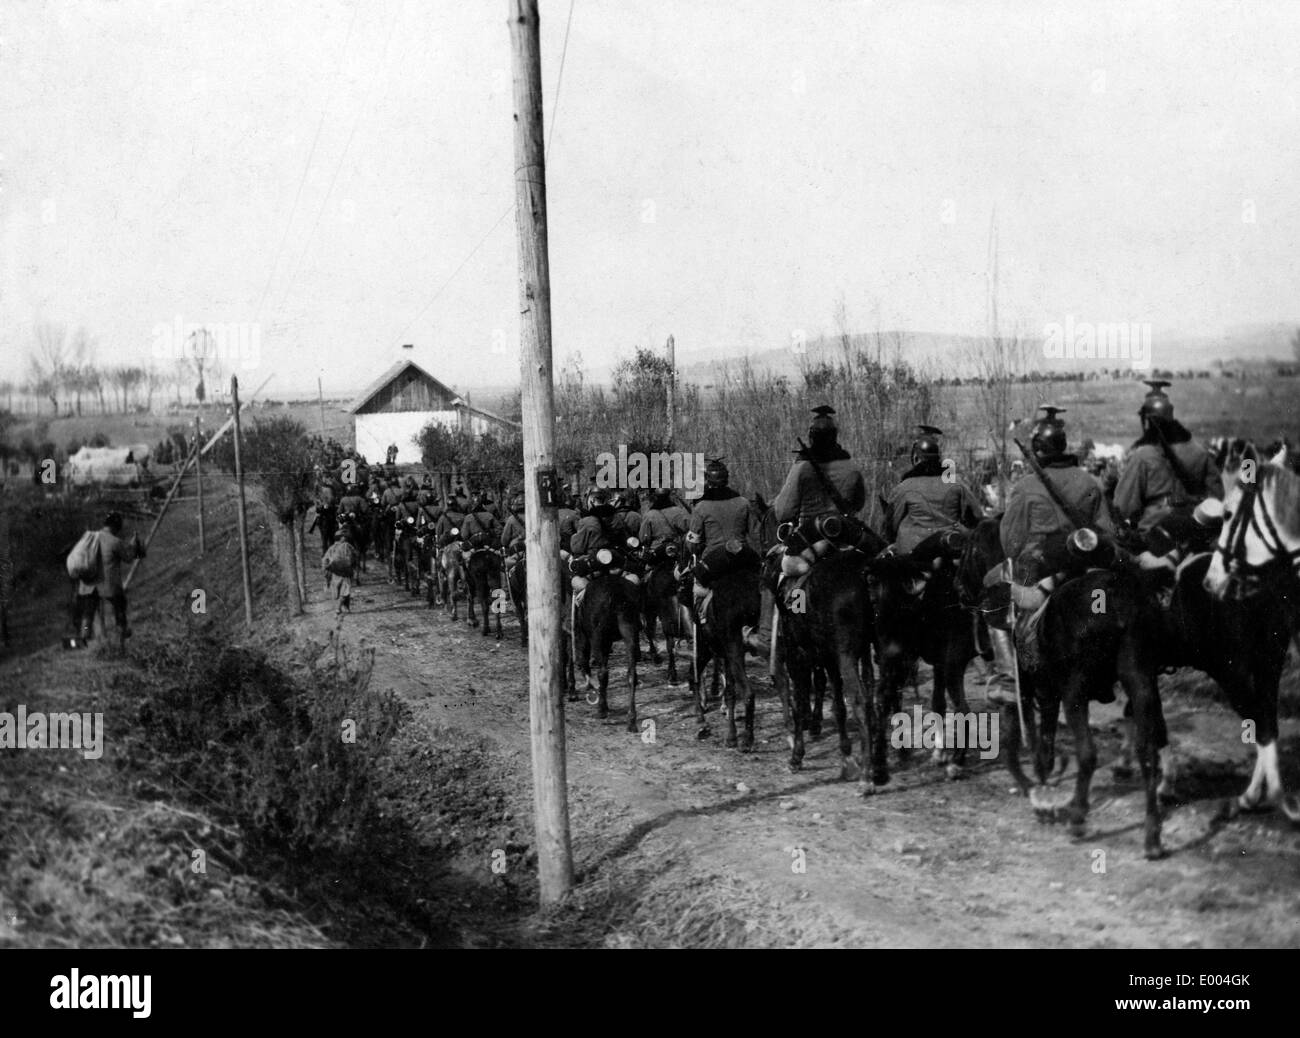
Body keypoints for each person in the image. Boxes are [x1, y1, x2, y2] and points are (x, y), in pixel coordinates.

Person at [984, 407, 1115, 704]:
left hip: (1038, 570)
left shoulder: (1026, 486)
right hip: (1085, 568)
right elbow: (1106, 531)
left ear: (1038, 449)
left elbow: (1011, 544)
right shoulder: (1089, 482)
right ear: (1063, 445)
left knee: (992, 590)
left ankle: (1007, 676)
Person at [1113, 380, 1222, 534]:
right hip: (1192, 530)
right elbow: (1216, 497)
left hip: (1155, 533)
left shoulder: (1142, 456)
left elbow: (1123, 507)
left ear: (1147, 420)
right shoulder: (1200, 452)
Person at [884, 425, 982, 557]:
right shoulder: (956, 484)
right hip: (949, 550)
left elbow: (891, 525)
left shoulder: (904, 487)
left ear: (916, 458)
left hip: (911, 554)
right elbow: (976, 517)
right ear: (938, 458)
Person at [77, 511, 144, 647]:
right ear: (115, 527)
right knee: (119, 605)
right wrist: (134, 545)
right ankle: (122, 630)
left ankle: (84, 635)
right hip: (108, 585)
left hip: (88, 584)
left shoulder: (90, 538)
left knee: (88, 612)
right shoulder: (114, 541)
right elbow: (129, 558)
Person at [638, 488, 690, 560]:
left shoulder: (649, 515)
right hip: (677, 550)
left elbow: (643, 538)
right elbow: (686, 529)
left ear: (655, 498)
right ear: (668, 497)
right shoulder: (678, 511)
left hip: (657, 552)